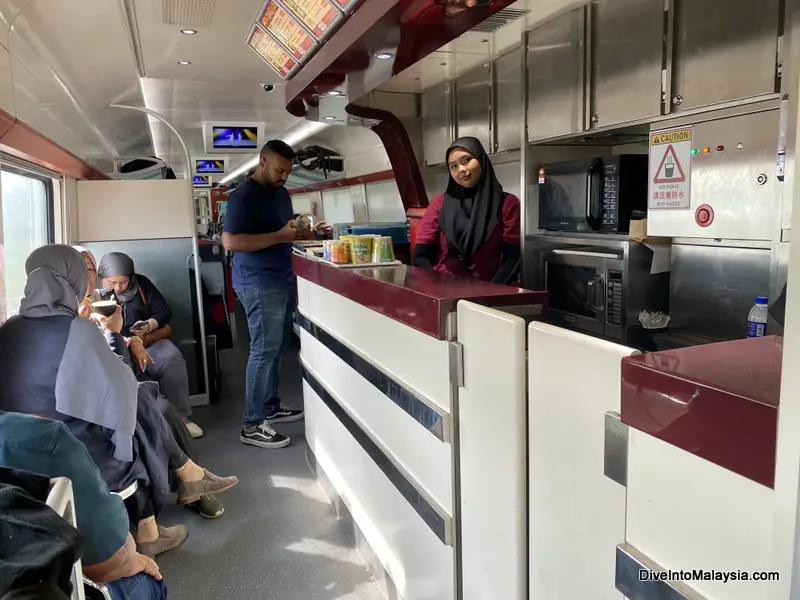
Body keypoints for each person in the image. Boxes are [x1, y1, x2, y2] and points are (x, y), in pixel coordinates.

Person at [0, 245, 237, 556]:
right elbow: (121, 387)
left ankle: (176, 493)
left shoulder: (9, 328)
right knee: (136, 410)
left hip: (17, 442)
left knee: (140, 406)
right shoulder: (76, 330)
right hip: (66, 443)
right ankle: (182, 485)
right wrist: (113, 334)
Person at [75, 246, 228, 520]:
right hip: (97, 392)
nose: (118, 286)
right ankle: (191, 482)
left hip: (120, 370)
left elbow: (158, 316)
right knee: (152, 407)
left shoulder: (98, 301)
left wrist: (134, 338)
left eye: (88, 267)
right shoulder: (77, 310)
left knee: (162, 405)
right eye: (81, 268)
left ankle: (191, 481)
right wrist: (124, 340)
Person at [0, 414, 167, 600]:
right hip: (48, 586)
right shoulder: (45, 440)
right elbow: (107, 563)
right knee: (149, 580)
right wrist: (131, 558)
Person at [222, 140, 309, 450]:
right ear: (262, 162)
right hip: (258, 282)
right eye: (279, 170)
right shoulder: (243, 197)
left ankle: (270, 406)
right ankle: (252, 423)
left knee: (277, 347)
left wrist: (299, 231)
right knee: (264, 349)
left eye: (288, 171)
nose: (284, 176)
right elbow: (230, 242)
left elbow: (282, 231)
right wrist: (279, 236)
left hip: (281, 277)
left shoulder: (281, 193)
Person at [95, 251, 203, 439]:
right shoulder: (93, 294)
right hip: (114, 345)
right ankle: (157, 423)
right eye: (112, 283)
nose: (118, 288)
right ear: (101, 277)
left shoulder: (141, 285)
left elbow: (164, 311)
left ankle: (181, 417)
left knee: (172, 358)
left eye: (123, 282)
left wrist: (149, 324)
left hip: (147, 341)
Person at [414, 137, 521, 284]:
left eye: (467, 160)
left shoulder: (507, 204)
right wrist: (436, 286)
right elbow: (420, 256)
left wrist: (490, 293)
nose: (461, 170)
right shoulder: (440, 204)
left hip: (487, 292)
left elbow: (512, 259)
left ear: (481, 159)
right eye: (453, 167)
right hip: (445, 289)